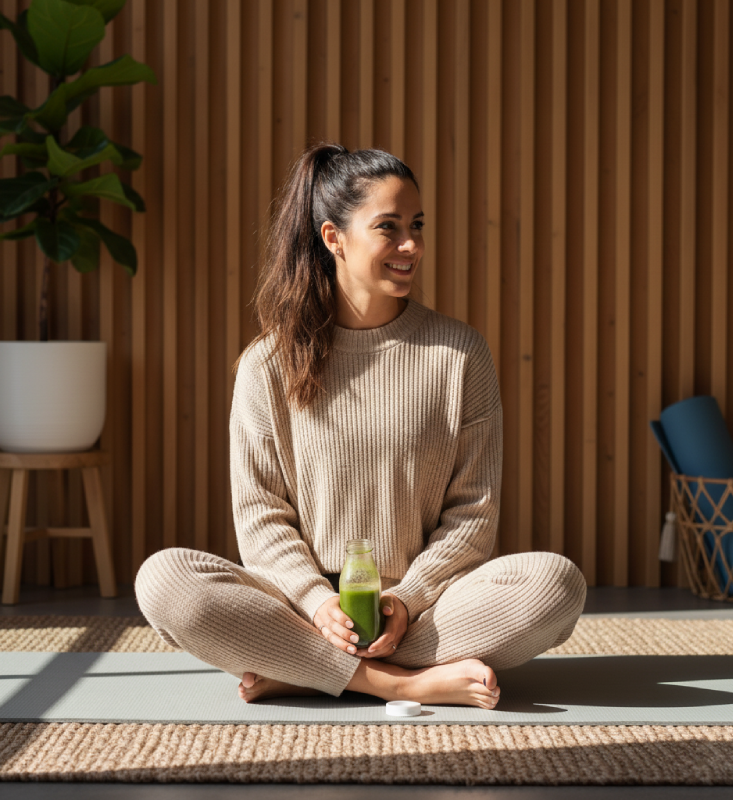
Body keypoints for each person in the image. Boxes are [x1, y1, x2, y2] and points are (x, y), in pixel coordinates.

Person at [135, 143, 586, 709]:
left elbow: (474, 513)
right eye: (389, 228)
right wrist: (317, 603)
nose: (411, 245)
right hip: (302, 610)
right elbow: (260, 517)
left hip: (426, 608)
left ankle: (306, 670)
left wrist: (406, 599)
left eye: (417, 226)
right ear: (333, 238)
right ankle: (397, 682)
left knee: (555, 584)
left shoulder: (460, 353)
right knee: (164, 580)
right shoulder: (268, 364)